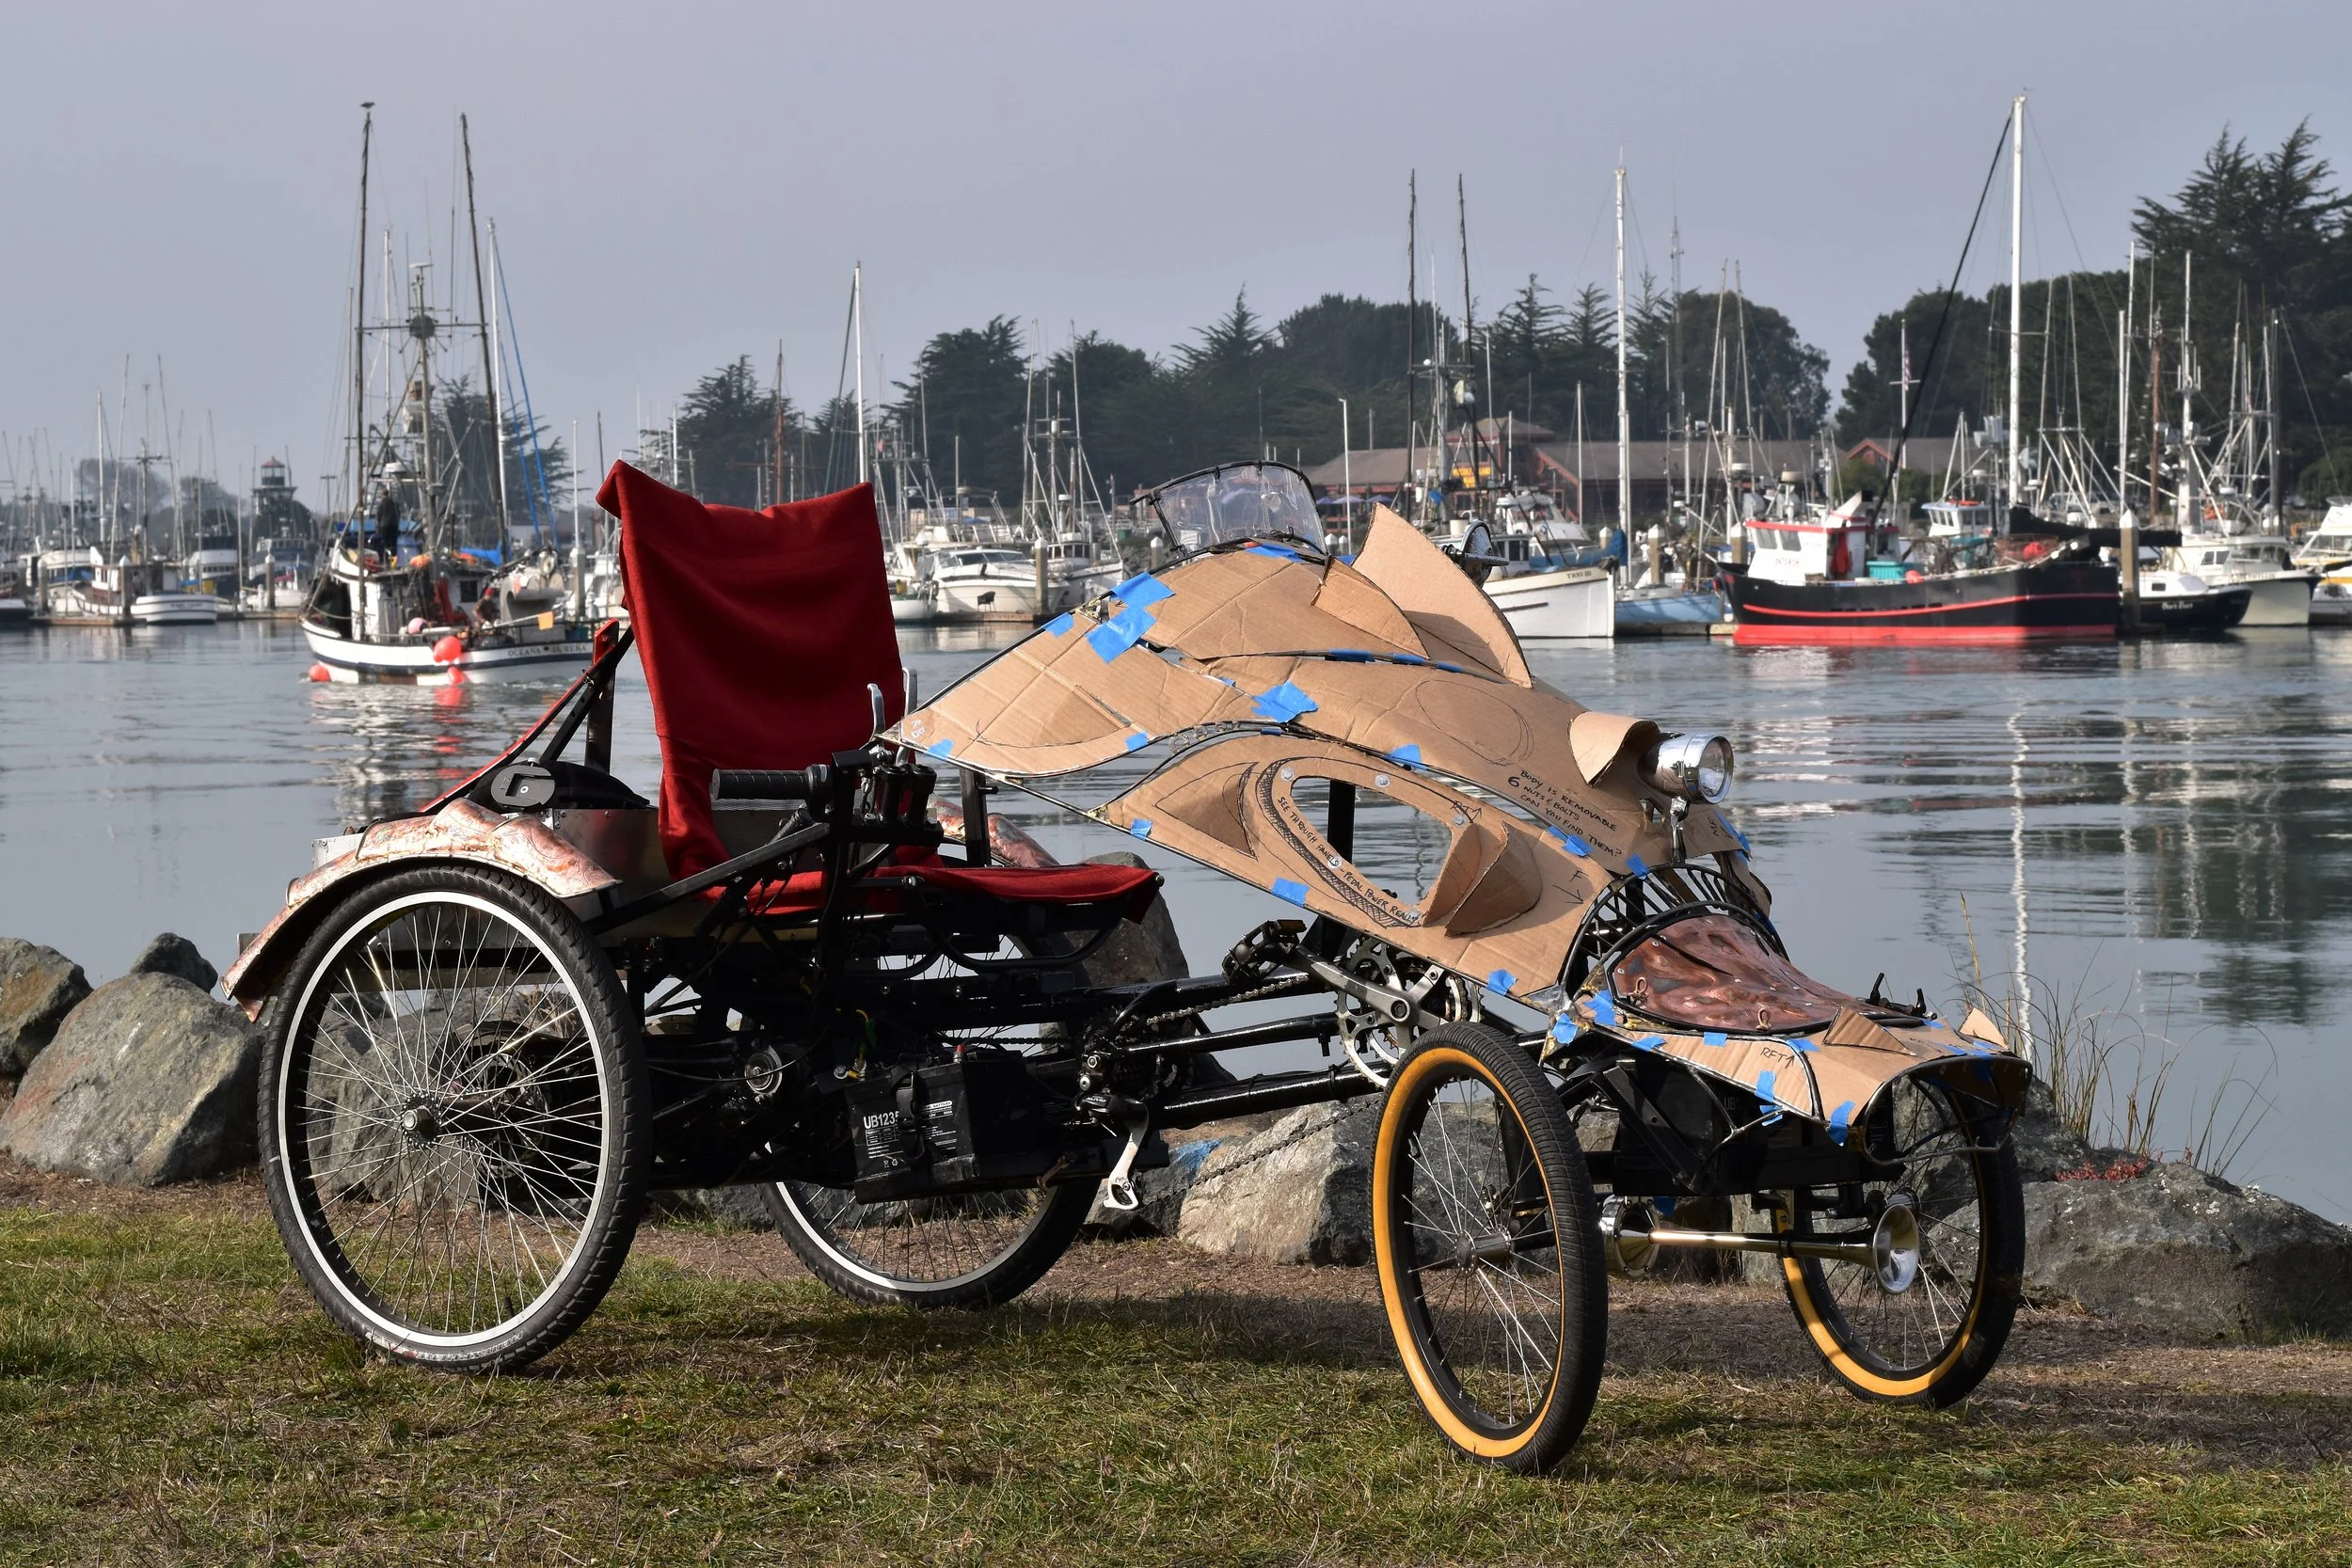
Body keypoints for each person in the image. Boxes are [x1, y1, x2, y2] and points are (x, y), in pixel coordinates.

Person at [372, 487, 401, 566]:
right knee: (393, 544)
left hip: (384, 527)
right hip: (394, 525)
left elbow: (378, 516)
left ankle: (386, 562)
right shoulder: (395, 503)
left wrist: (377, 528)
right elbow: (398, 514)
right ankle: (394, 561)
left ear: (382, 495)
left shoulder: (381, 504)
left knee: (386, 544)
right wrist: (397, 524)